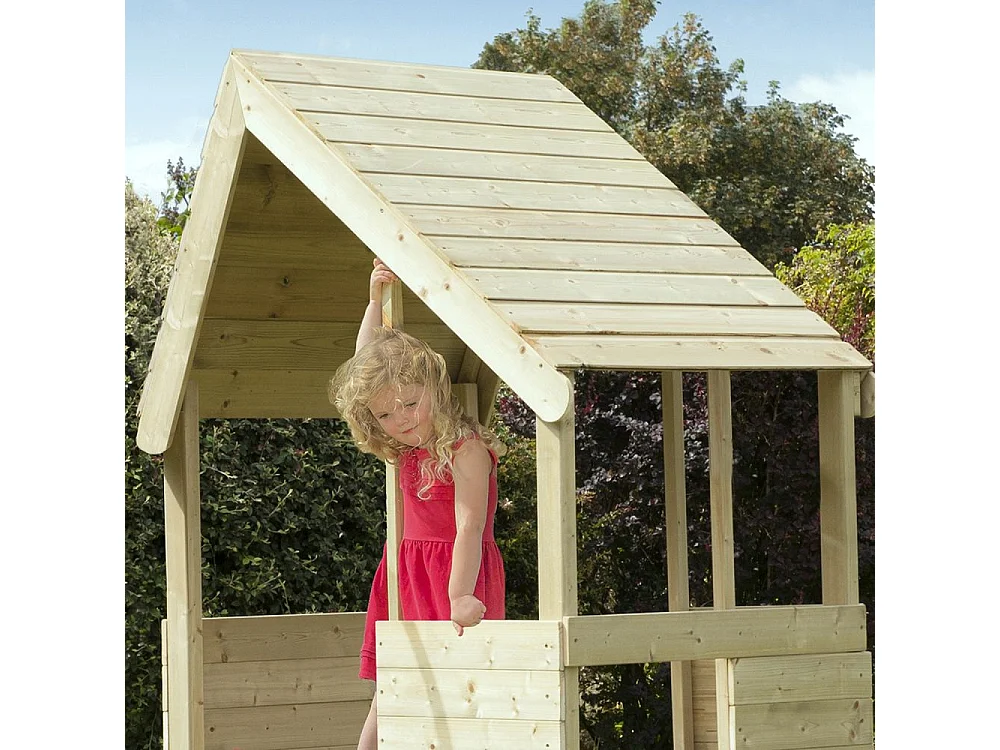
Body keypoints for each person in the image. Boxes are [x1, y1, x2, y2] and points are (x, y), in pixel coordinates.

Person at [328, 257, 507, 750]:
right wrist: (373, 301)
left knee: (459, 680)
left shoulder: (465, 449)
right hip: (407, 570)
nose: (402, 419)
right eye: (386, 413)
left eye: (410, 403)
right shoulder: (408, 448)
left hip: (457, 572)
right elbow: (366, 360)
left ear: (433, 387)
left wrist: (459, 596)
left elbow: (470, 528)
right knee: (396, 677)